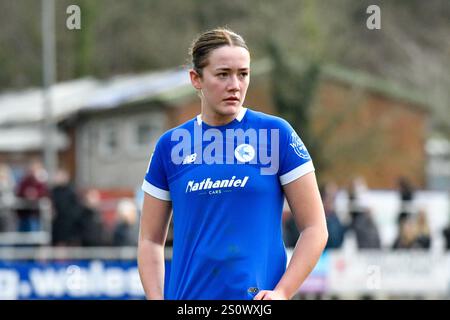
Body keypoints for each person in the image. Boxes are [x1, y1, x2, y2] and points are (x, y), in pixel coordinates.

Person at [137, 28, 328, 300]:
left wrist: (282, 292)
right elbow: (149, 240)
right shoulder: (171, 146)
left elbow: (315, 228)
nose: (235, 85)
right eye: (223, 74)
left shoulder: (275, 135)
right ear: (196, 78)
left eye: (243, 74)